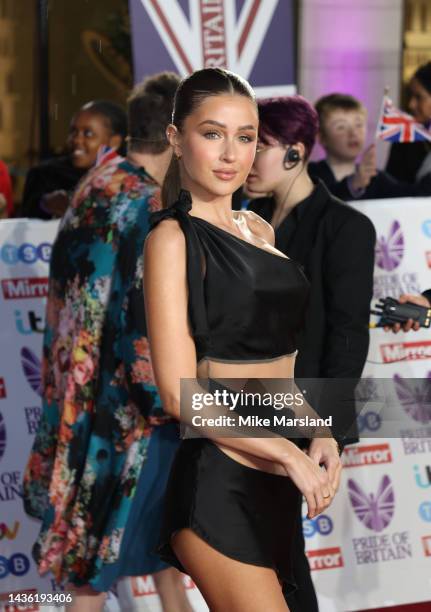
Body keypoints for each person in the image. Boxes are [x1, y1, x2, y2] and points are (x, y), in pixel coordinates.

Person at [144, 68, 341, 612]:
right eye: (212, 133)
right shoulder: (171, 239)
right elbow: (178, 396)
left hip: (276, 480)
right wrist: (285, 451)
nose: (232, 153)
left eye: (247, 136)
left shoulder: (260, 230)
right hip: (219, 482)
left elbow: (273, 367)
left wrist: (316, 431)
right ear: (175, 138)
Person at [22, 72, 193, 612]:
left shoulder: (94, 187)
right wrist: (174, 401)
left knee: (158, 553)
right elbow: (143, 322)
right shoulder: (149, 208)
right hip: (128, 410)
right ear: (175, 136)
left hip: (75, 399)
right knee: (99, 563)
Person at [245, 95, 376, 612]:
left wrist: (326, 427)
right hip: (240, 402)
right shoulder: (245, 219)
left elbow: (348, 335)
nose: (245, 158)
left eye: (259, 146)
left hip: (301, 408)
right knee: (262, 545)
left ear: (297, 154)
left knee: (279, 548)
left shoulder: (345, 227)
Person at [309, 93, 431, 200]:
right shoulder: (310, 174)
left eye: (358, 124)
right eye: (341, 127)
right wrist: (353, 184)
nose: (353, 133)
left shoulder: (375, 178)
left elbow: (414, 195)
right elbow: (321, 203)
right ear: (321, 137)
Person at [21, 100, 127, 219]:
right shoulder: (44, 175)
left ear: (114, 142)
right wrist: (44, 205)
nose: (76, 139)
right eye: (73, 131)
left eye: (88, 133)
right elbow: (24, 223)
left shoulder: (131, 180)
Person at [386, 61, 431, 183]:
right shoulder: (405, 140)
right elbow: (391, 191)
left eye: (418, 97)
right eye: (410, 95)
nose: (411, 104)